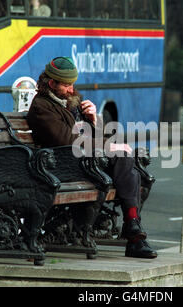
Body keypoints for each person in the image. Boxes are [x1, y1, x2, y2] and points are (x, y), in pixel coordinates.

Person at [26, 57, 157, 259]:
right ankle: (134, 236)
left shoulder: (71, 102)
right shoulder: (42, 107)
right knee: (123, 158)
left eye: (72, 84)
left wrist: (95, 120)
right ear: (51, 84)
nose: (71, 89)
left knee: (129, 162)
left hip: (84, 160)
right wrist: (108, 146)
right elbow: (67, 140)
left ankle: (133, 229)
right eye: (67, 85)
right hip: (62, 165)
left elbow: (92, 136)